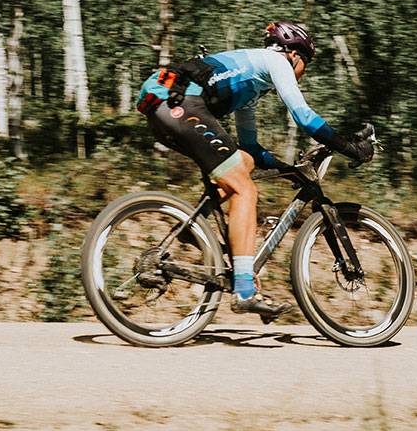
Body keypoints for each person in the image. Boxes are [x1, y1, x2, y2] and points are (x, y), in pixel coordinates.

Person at [135, 21, 374, 318]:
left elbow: (250, 148)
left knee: (242, 163)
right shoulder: (276, 60)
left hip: (165, 108)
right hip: (181, 104)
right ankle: (245, 290)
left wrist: (287, 169)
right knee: (245, 190)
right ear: (294, 54)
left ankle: (192, 229)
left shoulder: (251, 86)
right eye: (306, 65)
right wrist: (349, 146)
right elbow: (304, 117)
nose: (303, 72)